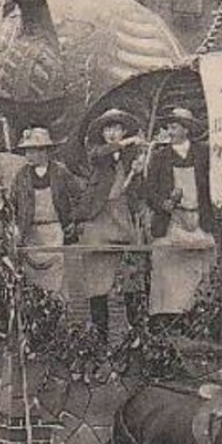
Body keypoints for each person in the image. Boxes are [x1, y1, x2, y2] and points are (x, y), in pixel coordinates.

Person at [74, 109, 145, 338]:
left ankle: (136, 338)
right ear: (102, 133)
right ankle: (100, 337)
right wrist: (125, 143)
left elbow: (141, 191)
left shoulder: (131, 157)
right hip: (99, 221)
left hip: (124, 221)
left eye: (117, 128)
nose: (113, 133)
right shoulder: (96, 153)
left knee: (132, 279)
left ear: (123, 130)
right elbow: (101, 155)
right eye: (108, 128)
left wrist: (138, 170)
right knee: (98, 281)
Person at [142, 108, 216, 325]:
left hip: (199, 219)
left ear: (186, 129)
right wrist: (161, 203)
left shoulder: (203, 154)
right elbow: (149, 191)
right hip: (171, 221)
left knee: (199, 271)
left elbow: (214, 184)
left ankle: (196, 319)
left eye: (174, 127)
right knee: (168, 272)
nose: (170, 131)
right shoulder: (159, 157)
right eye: (169, 127)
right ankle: (167, 321)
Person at [7, 127, 82, 299]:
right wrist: (16, 228)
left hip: (54, 230)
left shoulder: (60, 171)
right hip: (30, 232)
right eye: (27, 151)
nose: (28, 156)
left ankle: (58, 310)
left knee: (56, 276)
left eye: (32, 151)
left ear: (44, 151)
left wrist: (72, 221)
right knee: (32, 277)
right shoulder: (21, 175)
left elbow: (79, 195)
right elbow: (12, 203)